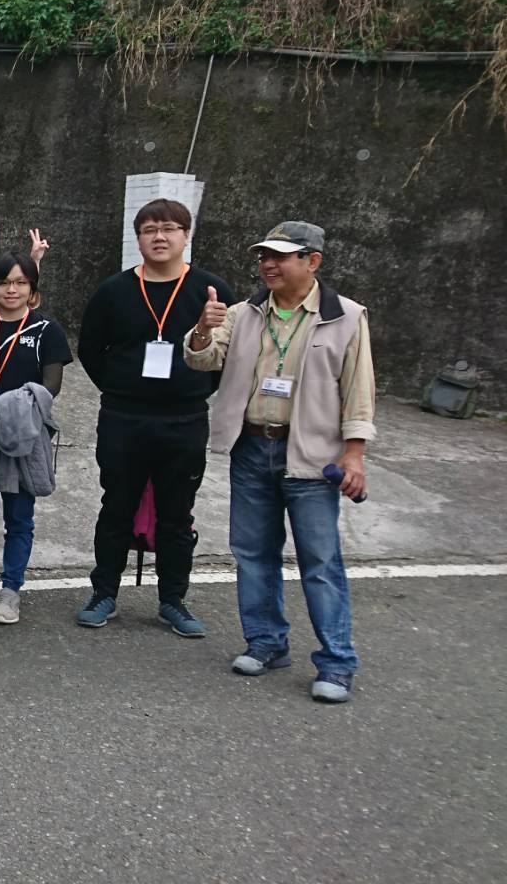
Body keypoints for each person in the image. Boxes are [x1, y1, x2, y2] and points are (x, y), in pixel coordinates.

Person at [184, 221, 373, 704]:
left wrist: (354, 453)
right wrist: (202, 330)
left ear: (313, 261)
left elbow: (359, 390)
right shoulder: (243, 313)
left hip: (311, 455)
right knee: (252, 553)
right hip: (252, 448)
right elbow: (203, 360)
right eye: (263, 256)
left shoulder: (346, 317)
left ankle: (336, 663)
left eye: (280, 256)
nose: (268, 264)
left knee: (320, 562)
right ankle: (266, 643)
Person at [75, 200, 237, 637]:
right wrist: (121, 386)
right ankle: (103, 593)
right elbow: (90, 349)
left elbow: (228, 354)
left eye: (169, 228)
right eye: (149, 230)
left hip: (184, 418)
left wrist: (194, 387)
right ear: (138, 238)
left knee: (177, 513)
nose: (159, 237)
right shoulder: (113, 290)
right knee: (116, 506)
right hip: (123, 416)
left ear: (187, 235)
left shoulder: (211, 291)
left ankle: (173, 600)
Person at [0, 252, 71, 625]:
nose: (12, 289)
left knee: (19, 517)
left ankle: (11, 590)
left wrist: (6, 415)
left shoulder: (47, 330)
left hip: (23, 436)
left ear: (32, 289)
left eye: (21, 282)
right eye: (4, 282)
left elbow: (50, 387)